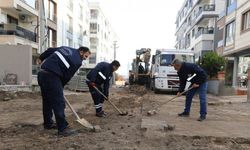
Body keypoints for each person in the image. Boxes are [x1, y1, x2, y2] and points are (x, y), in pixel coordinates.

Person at [37, 46, 91, 136]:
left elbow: (50, 50)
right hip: (52, 76)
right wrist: (59, 87)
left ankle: (48, 123)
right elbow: (67, 76)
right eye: (85, 56)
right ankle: (62, 129)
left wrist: (41, 58)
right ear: (81, 52)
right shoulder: (78, 61)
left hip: (42, 74)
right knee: (59, 103)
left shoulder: (65, 48)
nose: (85, 59)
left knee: (47, 101)